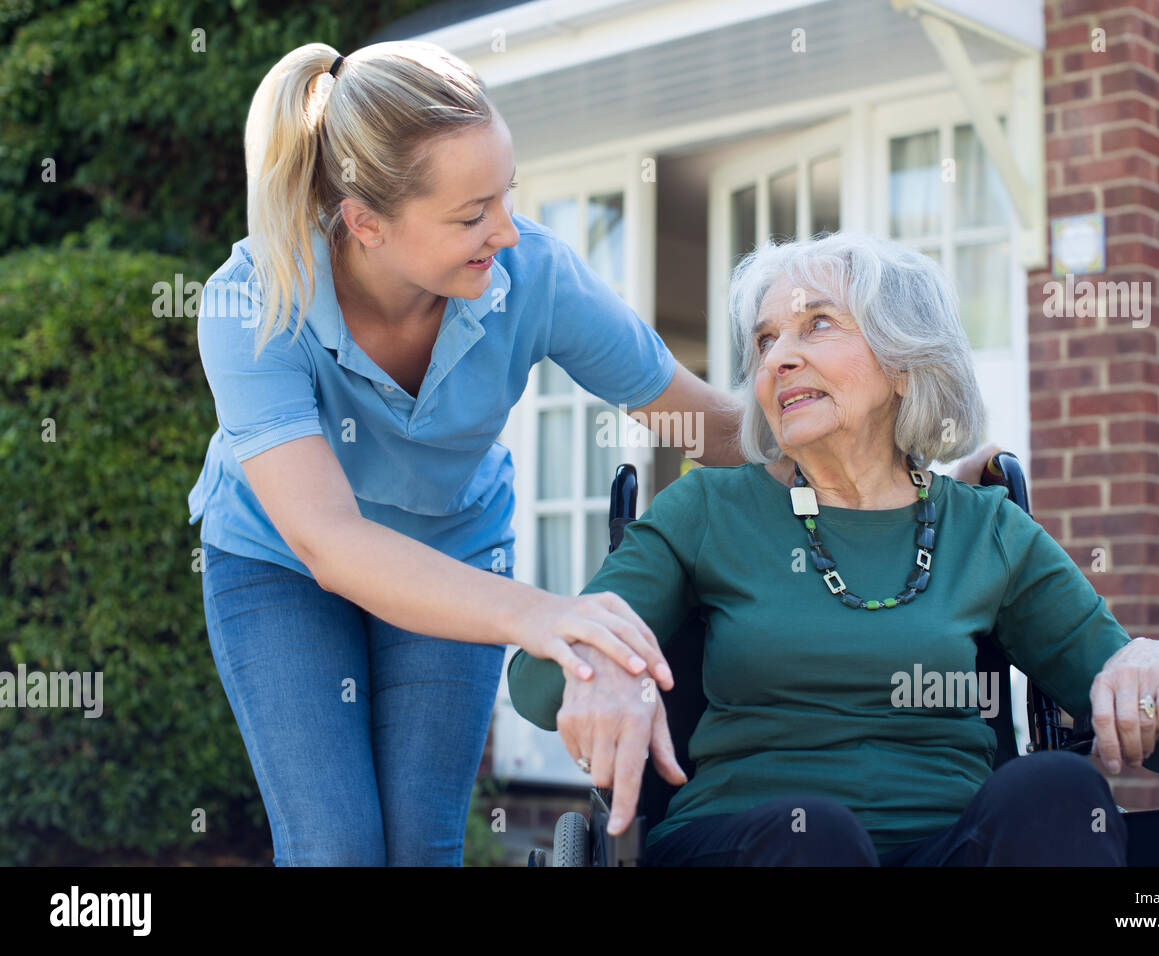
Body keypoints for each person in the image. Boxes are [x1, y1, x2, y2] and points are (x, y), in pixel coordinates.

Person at [187, 39, 1005, 866]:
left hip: (449, 540)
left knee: (421, 843)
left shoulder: (529, 272)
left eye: (504, 196)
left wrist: (915, 484)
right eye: (470, 215)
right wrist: (543, 615)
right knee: (336, 846)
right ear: (366, 223)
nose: (504, 230)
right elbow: (331, 542)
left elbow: (704, 426)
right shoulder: (255, 300)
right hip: (282, 561)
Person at [507, 231, 1159, 866]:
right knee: (812, 834)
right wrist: (599, 663)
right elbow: (538, 689)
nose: (779, 360)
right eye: (764, 342)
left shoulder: (985, 530)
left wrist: (1152, 664)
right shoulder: (707, 509)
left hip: (949, 842)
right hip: (753, 842)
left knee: (1063, 791)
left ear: (904, 362)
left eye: (816, 325)